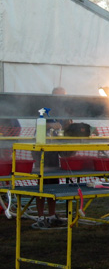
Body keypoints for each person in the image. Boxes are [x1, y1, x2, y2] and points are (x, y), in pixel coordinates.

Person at [33, 86, 72, 228]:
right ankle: (40, 216)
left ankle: (51, 215)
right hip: (41, 150)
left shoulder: (65, 111)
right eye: (58, 96)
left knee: (54, 183)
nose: (61, 99)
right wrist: (51, 124)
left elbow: (66, 127)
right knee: (42, 183)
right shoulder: (44, 108)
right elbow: (39, 123)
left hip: (54, 150)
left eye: (63, 96)